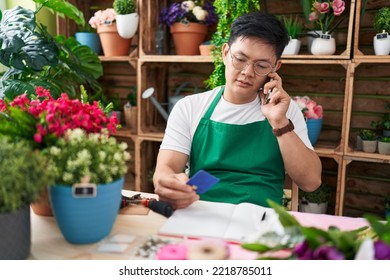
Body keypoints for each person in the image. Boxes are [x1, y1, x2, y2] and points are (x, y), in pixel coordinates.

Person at [153, 11, 322, 209]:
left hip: (262, 221)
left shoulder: (286, 111)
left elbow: (310, 182)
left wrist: (279, 122)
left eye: (261, 65)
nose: (247, 72)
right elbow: (166, 169)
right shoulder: (190, 107)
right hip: (202, 212)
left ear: (275, 67)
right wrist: (168, 184)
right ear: (225, 53)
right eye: (240, 59)